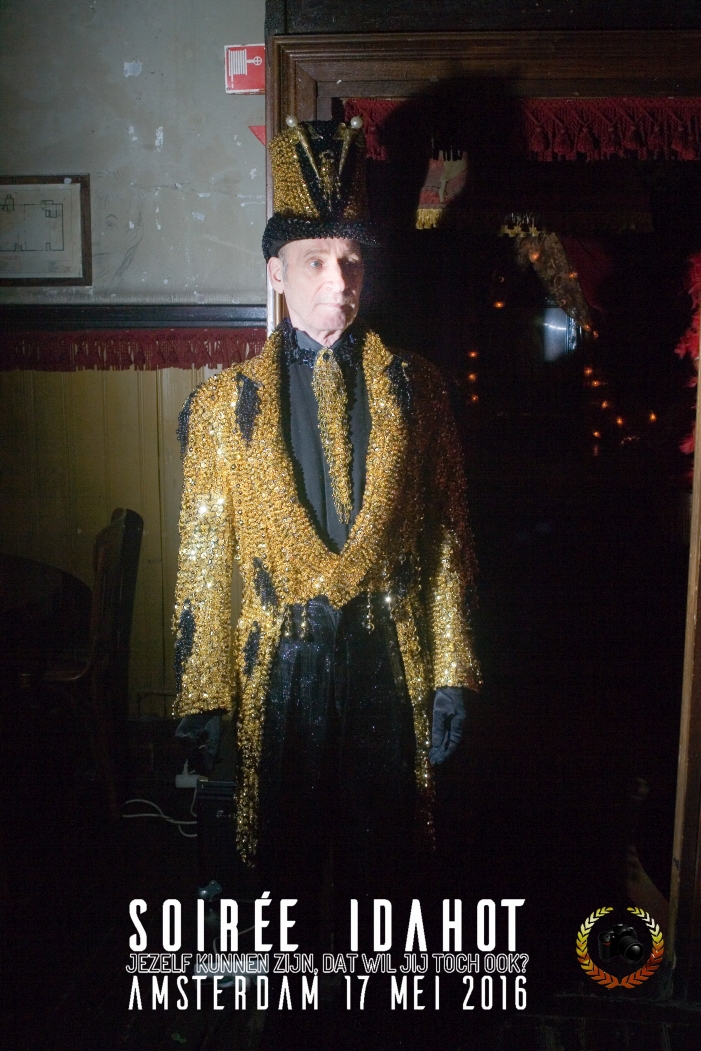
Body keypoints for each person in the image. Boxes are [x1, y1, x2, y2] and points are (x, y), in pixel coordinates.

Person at [173, 117, 480, 946]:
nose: (336, 282)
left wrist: (452, 673)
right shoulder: (221, 408)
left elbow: (446, 539)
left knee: (388, 856)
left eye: (350, 261)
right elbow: (205, 557)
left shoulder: (418, 391)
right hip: (281, 662)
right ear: (276, 273)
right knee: (281, 851)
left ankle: (376, 990)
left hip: (387, 654)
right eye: (314, 261)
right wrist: (203, 692)